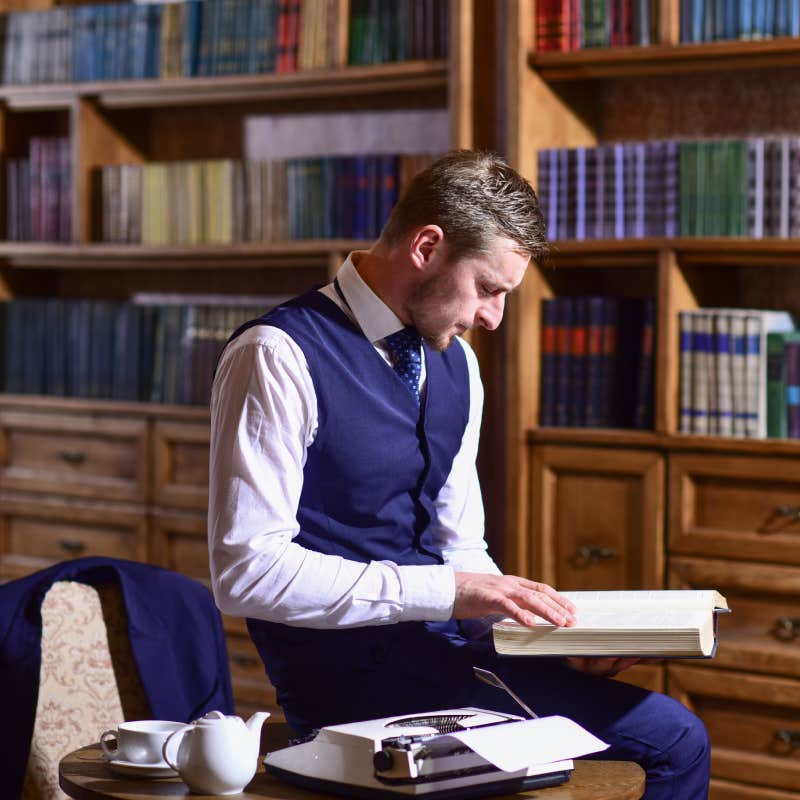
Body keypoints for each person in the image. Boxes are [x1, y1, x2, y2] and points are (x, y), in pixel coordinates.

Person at [208, 150, 710, 799]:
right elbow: (247, 573)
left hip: (450, 660)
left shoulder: (457, 366)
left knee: (664, 729)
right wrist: (450, 592)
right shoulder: (275, 356)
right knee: (671, 741)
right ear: (426, 246)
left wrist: (539, 639)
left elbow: (462, 549)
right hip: (348, 688)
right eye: (489, 288)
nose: (493, 317)